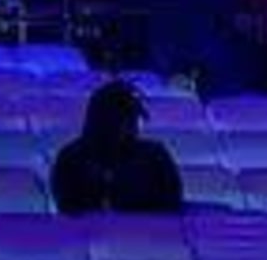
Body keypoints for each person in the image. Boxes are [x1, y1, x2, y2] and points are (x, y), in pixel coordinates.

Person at [51, 80, 185, 217]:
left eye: (133, 119)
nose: (133, 126)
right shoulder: (71, 159)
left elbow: (170, 208)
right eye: (125, 119)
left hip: (145, 235)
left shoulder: (155, 157)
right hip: (86, 235)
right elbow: (68, 211)